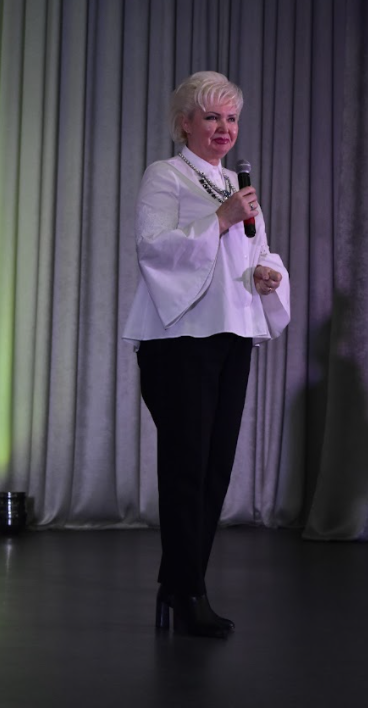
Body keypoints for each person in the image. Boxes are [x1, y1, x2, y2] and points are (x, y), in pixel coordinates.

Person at [123, 71, 290, 638]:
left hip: (232, 336)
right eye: (212, 117)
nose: (224, 128)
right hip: (180, 342)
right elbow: (152, 248)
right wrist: (219, 220)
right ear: (185, 124)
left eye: (231, 118)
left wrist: (267, 274)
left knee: (215, 469)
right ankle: (187, 591)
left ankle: (180, 585)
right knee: (187, 467)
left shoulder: (237, 187)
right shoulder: (165, 176)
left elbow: (258, 251)